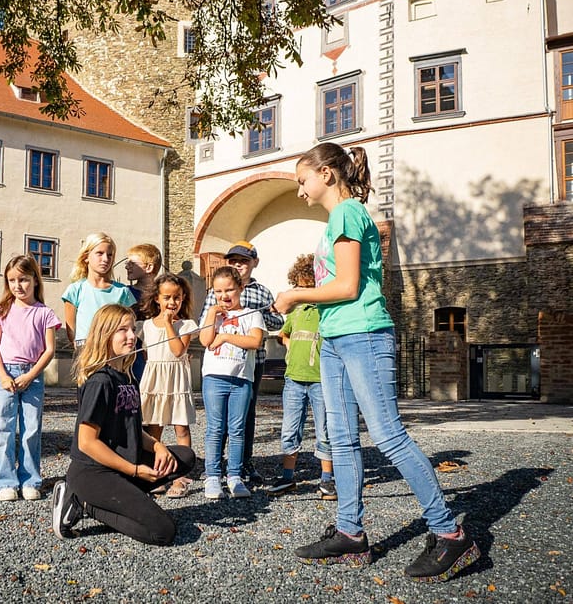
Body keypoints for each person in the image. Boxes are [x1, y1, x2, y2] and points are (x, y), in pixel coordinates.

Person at [273, 143, 479, 582]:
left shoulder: (347, 213)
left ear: (327, 173)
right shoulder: (337, 219)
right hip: (334, 337)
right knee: (342, 439)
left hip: (363, 333)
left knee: (388, 435)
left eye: (302, 180)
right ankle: (350, 534)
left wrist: (295, 295)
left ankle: (450, 534)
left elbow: (348, 286)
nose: (300, 190)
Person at [51, 304, 195, 545]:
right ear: (105, 334)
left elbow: (129, 427)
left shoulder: (127, 376)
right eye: (122, 330)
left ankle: (125, 495)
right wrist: (135, 471)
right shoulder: (100, 381)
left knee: (184, 456)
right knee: (162, 531)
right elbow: (86, 443)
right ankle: (84, 503)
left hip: (123, 463)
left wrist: (158, 446)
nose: (131, 336)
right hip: (93, 472)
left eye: (132, 329)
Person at [198, 241, 284, 485]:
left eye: (244, 260)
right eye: (234, 260)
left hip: (250, 363)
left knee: (244, 417)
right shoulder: (215, 294)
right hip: (219, 365)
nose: (239, 264)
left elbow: (277, 323)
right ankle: (215, 468)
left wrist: (257, 315)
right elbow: (206, 328)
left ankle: (243, 465)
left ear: (253, 263)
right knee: (217, 422)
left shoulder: (262, 292)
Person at [0, 255, 60, 501]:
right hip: (6, 375)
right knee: (4, 428)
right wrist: (3, 375)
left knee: (31, 428)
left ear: (35, 281)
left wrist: (31, 375)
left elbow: (49, 349)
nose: (18, 285)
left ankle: (30, 479)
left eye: (24, 279)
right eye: (12, 280)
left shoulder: (45, 313)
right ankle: (5, 481)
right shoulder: (2, 311)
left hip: (32, 376)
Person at [265, 255, 335, 501]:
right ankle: (287, 476)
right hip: (294, 380)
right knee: (290, 429)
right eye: (299, 286)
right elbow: (283, 335)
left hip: (321, 381)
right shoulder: (295, 313)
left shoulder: (326, 312)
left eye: (308, 286)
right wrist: (291, 349)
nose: (302, 291)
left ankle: (327, 479)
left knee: (325, 429)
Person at [200, 266, 265, 500]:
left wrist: (226, 336)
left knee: (237, 430)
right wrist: (211, 315)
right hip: (214, 378)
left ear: (240, 288)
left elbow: (255, 341)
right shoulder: (214, 315)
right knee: (215, 429)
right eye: (218, 291)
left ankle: (235, 476)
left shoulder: (251, 314)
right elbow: (206, 340)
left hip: (241, 380)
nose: (224, 296)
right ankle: (213, 477)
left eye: (229, 290)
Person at [138, 273, 197, 497]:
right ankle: (158, 472)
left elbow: (177, 350)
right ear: (157, 298)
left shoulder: (186, 324)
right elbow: (145, 354)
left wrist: (169, 325)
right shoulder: (145, 326)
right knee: (154, 429)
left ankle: (182, 475)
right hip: (156, 379)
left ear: (183, 299)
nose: (172, 303)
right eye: (167, 297)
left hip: (176, 380)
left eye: (177, 298)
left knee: (181, 427)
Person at [62, 232, 136, 348]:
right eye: (99, 253)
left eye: (110, 255)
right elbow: (71, 328)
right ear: (86, 257)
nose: (105, 259)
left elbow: (129, 323)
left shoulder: (122, 291)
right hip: (85, 347)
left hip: (112, 347)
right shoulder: (75, 289)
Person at [125, 242, 163, 382]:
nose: (127, 266)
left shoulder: (164, 294)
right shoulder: (125, 293)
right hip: (135, 350)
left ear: (149, 267)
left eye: (132, 263)